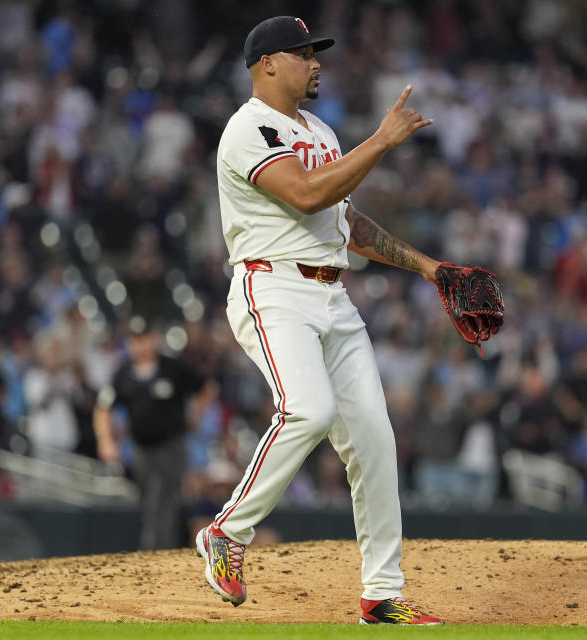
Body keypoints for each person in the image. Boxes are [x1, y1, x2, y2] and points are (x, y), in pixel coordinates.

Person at [196, 15, 446, 625]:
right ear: (267, 64)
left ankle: (382, 593)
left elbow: (344, 222)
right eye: (303, 53)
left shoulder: (323, 132)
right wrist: (382, 142)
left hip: (334, 295)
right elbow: (306, 194)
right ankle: (227, 532)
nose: (316, 63)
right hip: (273, 286)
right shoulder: (248, 128)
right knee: (309, 409)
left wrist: (428, 267)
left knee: (375, 442)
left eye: (316, 53)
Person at [93, 317, 218, 550]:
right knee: (150, 499)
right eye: (135, 340)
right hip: (141, 448)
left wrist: (195, 415)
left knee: (163, 497)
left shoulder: (173, 368)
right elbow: (103, 408)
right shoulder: (123, 373)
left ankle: (155, 550)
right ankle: (160, 549)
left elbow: (207, 387)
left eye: (145, 338)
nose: (140, 345)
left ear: (155, 339)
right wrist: (105, 440)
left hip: (171, 446)